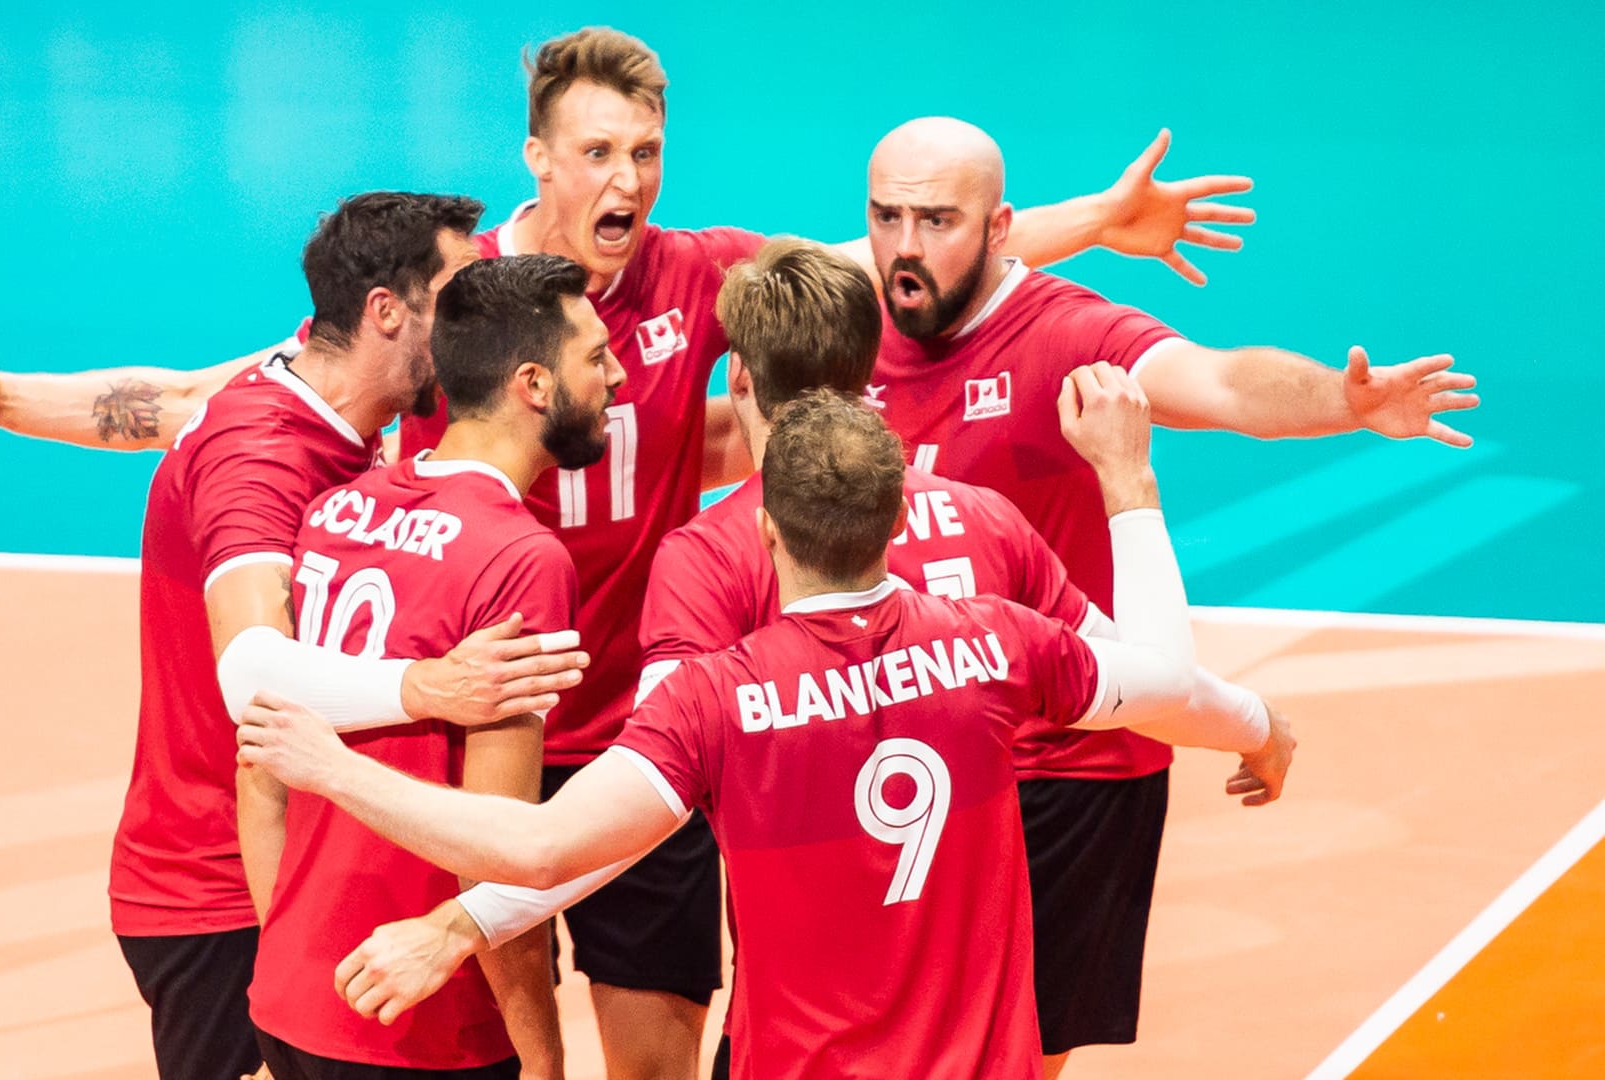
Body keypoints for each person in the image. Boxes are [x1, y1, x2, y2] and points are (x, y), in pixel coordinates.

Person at [0, 31, 1254, 1077]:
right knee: (478, 1023)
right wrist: (7, 400)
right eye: (600, 153)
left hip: (634, 724)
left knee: (651, 1047)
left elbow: (867, 264)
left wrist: (1086, 220)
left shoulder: (690, 271)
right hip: (472, 718)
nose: (629, 181)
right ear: (539, 160)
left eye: (647, 153)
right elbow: (209, 394)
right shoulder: (462, 309)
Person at [324, 239, 1284, 1079]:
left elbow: (623, 816)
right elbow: (1165, 684)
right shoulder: (987, 546)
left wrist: (461, 921)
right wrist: (1258, 725)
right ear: (871, 377)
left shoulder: (712, 564)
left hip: (800, 1042)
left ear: (738, 379)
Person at [859, 116, 1477, 1078]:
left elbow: (1223, 384)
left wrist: (1342, 404)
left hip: (1063, 769)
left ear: (1000, 226)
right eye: (885, 217)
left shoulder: (1064, 333)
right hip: (897, 758)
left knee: (1012, 1058)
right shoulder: (848, 330)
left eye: (936, 220)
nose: (905, 247)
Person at [110, 193, 588, 1080]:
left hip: (298, 864)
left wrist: (2, 401)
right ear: (386, 313)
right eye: (455, 298)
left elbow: (171, 395)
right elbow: (252, 675)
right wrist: (427, 687)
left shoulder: (345, 402)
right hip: (216, 887)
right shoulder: (265, 454)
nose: (468, 323)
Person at [244, 254, 625, 1080]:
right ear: (533, 383)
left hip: (292, 999)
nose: (617, 375)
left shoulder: (335, 509)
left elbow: (262, 771)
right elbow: (495, 851)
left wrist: (292, 955)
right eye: (595, 357)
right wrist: (542, 1059)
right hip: (423, 1027)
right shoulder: (522, 559)